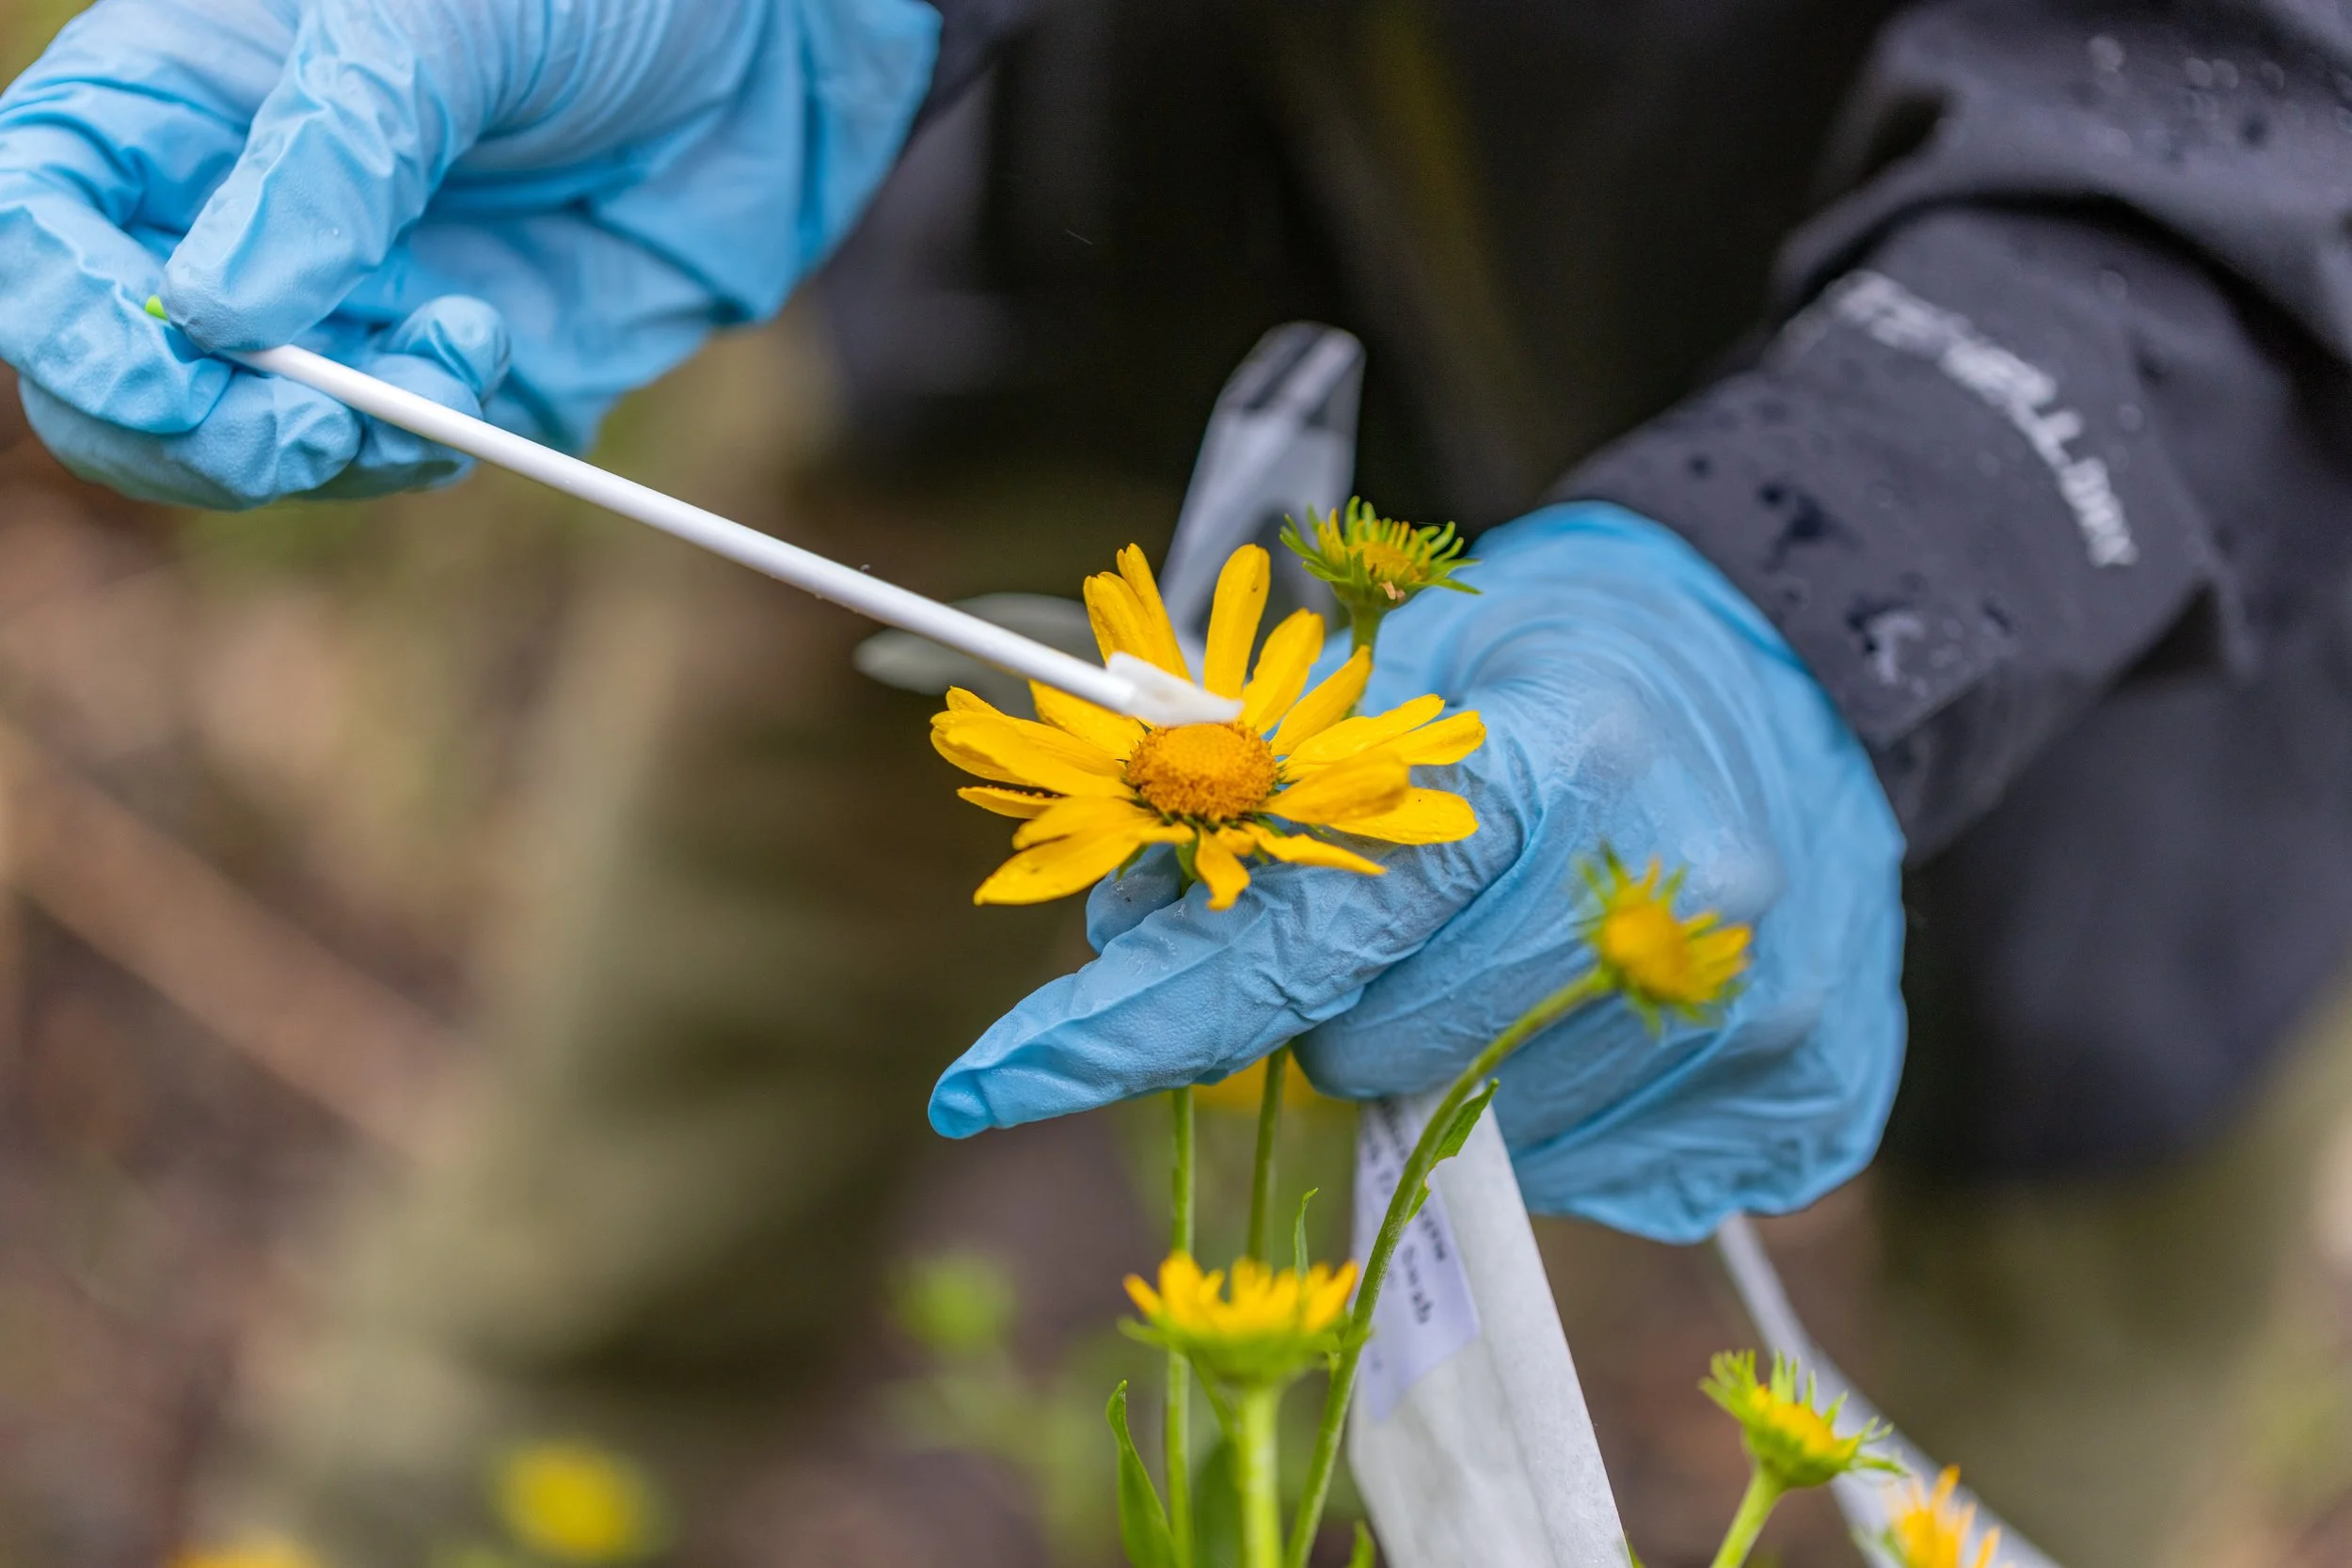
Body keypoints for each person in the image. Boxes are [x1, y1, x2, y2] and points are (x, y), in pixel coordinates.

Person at [2, 1, 2350, 1563]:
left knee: (2027, 1333)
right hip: (1143, 201)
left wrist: (1854, 566)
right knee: (717, 994)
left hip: (2093, 495)